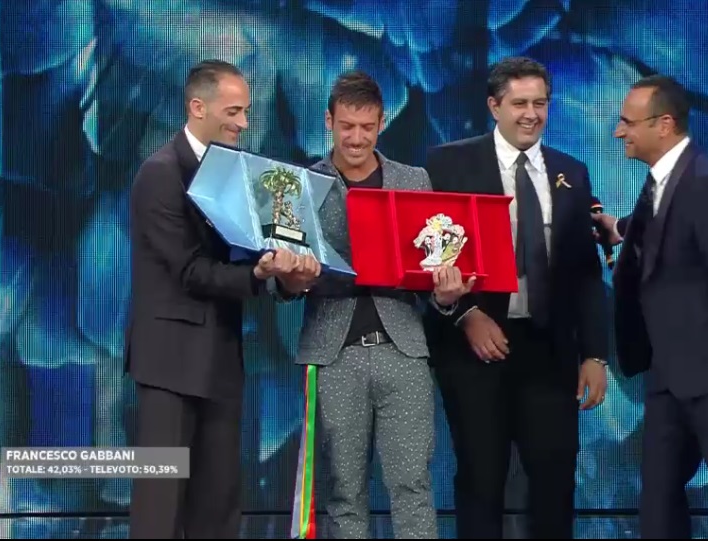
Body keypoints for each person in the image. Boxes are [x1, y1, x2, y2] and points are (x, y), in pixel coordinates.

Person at [124, 59, 320, 539]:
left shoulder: (241, 173)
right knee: (160, 506)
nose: (244, 123)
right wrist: (259, 274)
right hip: (170, 365)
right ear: (198, 107)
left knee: (218, 503)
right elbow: (190, 270)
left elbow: (267, 252)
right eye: (234, 112)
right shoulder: (160, 173)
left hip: (221, 360)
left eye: (247, 111)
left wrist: (290, 276)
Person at [274, 70, 473, 539]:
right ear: (329, 122)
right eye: (347, 126)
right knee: (343, 492)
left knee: (412, 486)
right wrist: (289, 279)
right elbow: (281, 286)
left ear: (382, 123)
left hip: (402, 353)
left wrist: (446, 297)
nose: (357, 138)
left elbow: (432, 274)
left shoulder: (414, 181)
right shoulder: (300, 185)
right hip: (333, 355)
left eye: (367, 127)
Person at [423, 56, 610, 539]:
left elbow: (586, 273)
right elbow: (426, 258)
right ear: (494, 106)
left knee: (554, 483)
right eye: (520, 103)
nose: (531, 114)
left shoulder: (572, 172)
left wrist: (594, 354)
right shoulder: (447, 164)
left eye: (540, 103)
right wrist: (466, 315)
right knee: (481, 481)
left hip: (550, 354)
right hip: (475, 354)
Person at [591, 74, 708, 539]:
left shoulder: (706, 183)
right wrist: (617, 228)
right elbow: (658, 228)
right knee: (658, 494)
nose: (618, 132)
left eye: (628, 123)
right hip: (668, 376)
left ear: (664, 125)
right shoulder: (664, 180)